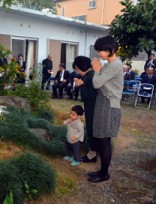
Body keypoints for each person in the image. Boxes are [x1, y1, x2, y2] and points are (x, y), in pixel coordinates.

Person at [89, 35, 123, 183]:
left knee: (104, 140)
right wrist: (100, 70)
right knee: (102, 139)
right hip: (104, 102)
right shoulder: (110, 65)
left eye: (101, 50)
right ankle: (103, 171)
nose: (99, 54)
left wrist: (97, 70)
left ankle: (104, 174)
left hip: (109, 105)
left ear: (109, 50)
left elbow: (96, 84)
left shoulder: (114, 65)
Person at [73, 56, 98, 164]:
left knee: (92, 130)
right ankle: (92, 153)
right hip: (89, 107)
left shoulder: (92, 76)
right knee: (90, 129)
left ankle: (93, 154)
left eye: (77, 69)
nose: (77, 71)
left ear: (82, 67)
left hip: (94, 108)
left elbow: (92, 95)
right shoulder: (88, 75)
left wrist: (81, 85)